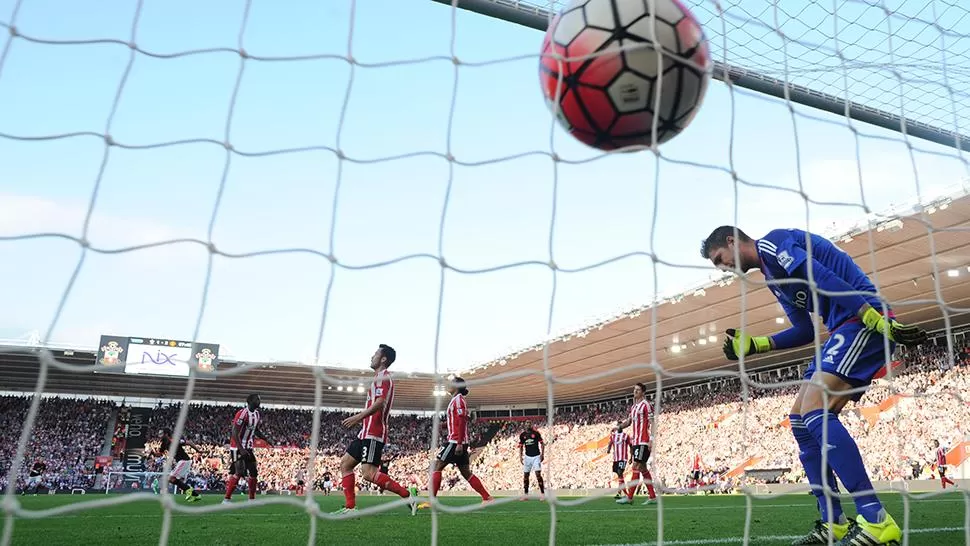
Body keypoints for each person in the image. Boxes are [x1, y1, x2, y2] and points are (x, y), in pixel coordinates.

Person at [701, 226, 927, 546]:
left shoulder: (774, 242)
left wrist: (873, 317)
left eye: (720, 259)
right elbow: (803, 331)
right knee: (799, 420)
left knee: (814, 409)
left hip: (861, 318)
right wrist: (756, 345)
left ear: (731, 241)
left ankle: (876, 519)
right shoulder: (771, 278)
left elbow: (818, 273)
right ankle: (833, 522)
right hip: (842, 328)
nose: (724, 268)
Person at [332, 344, 417, 515]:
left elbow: (380, 403)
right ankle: (350, 508)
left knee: (369, 474)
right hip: (365, 432)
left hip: (373, 432)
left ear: (383, 359)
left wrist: (358, 417)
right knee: (345, 464)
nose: (372, 356)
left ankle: (408, 495)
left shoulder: (383, 377)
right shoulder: (379, 377)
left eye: (375, 354)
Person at [430, 377, 493, 504]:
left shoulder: (458, 400)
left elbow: (462, 421)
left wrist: (458, 443)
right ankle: (487, 497)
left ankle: (432, 501)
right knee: (466, 472)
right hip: (460, 442)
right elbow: (457, 421)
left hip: (455, 442)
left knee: (436, 466)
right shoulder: (456, 400)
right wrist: (443, 425)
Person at [615, 383, 657, 504]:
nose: (635, 392)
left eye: (638, 390)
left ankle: (629, 498)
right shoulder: (634, 407)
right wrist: (618, 427)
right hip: (636, 442)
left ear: (643, 392)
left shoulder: (646, 405)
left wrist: (651, 439)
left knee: (636, 467)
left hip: (643, 441)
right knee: (643, 468)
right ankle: (653, 497)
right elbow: (628, 422)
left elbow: (653, 422)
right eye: (634, 390)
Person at [223, 393, 270, 503]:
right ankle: (226, 499)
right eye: (257, 399)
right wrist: (241, 449)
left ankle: (252, 499)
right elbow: (234, 432)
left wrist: (265, 439)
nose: (259, 401)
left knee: (254, 472)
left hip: (248, 447)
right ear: (251, 401)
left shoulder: (257, 414)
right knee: (239, 472)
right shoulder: (242, 413)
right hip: (237, 447)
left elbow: (255, 430)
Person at [158, 428, 202, 502]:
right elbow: (160, 453)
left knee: (171, 479)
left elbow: (189, 443)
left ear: (166, 434)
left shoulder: (173, 441)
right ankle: (196, 495)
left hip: (184, 460)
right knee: (174, 480)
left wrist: (198, 451)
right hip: (180, 462)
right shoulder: (164, 444)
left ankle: (189, 491)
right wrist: (151, 453)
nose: (159, 435)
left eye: (161, 434)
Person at [518, 420, 545, 500]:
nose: (528, 424)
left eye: (529, 423)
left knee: (538, 474)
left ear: (531, 424)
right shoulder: (522, 435)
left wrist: (542, 454)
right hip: (527, 457)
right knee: (526, 476)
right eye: (526, 423)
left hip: (536, 456)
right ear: (524, 424)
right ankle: (526, 495)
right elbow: (521, 446)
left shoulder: (536, 433)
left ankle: (542, 494)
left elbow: (542, 444)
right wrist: (520, 457)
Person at [606, 427, 631, 501]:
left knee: (620, 473)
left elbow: (630, 445)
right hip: (616, 459)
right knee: (619, 475)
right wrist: (608, 449)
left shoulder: (625, 436)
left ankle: (622, 493)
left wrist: (631, 456)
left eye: (621, 425)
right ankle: (624, 493)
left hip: (623, 458)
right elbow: (610, 443)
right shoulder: (613, 436)